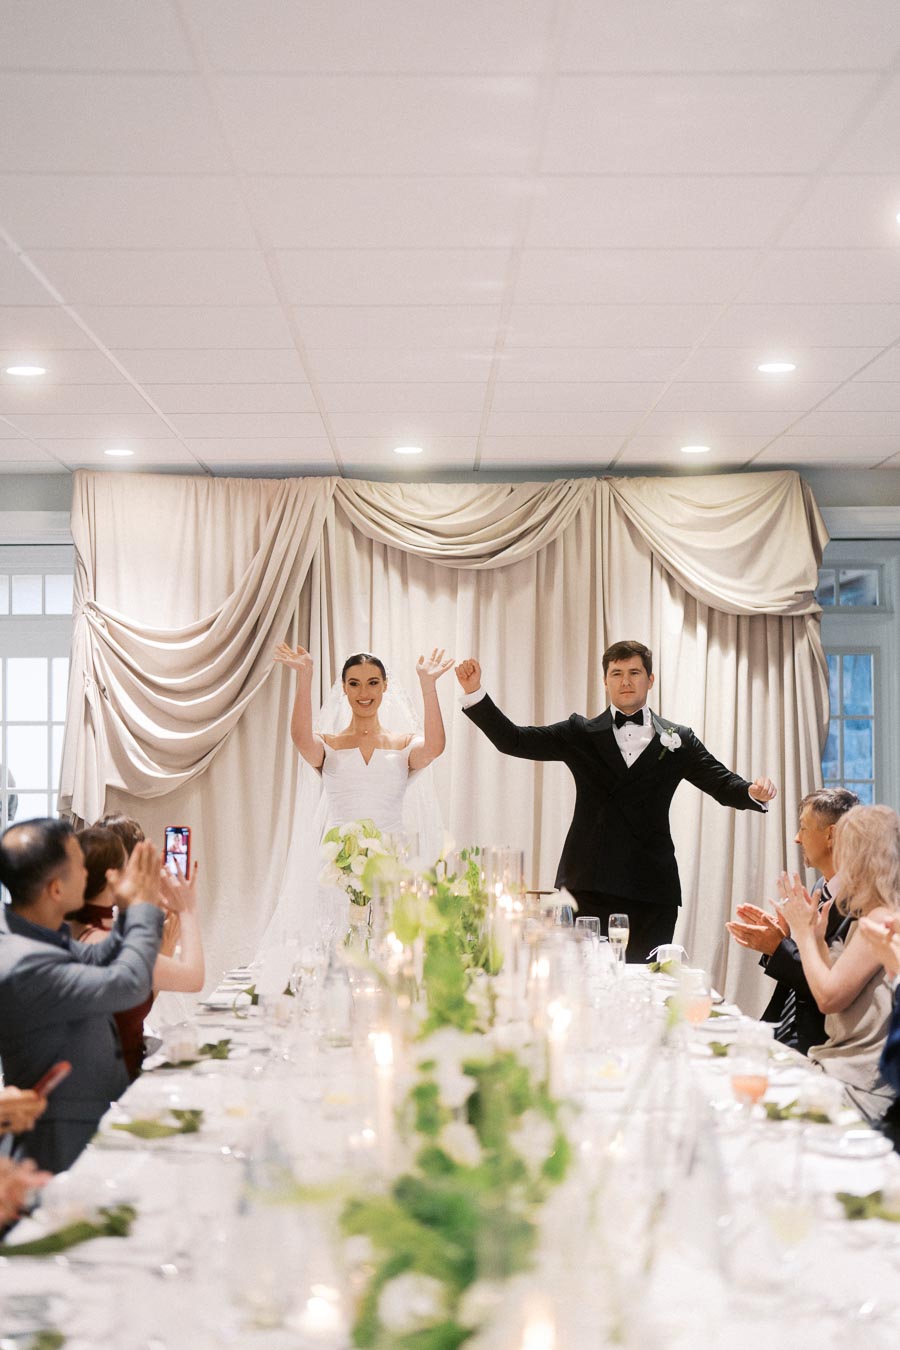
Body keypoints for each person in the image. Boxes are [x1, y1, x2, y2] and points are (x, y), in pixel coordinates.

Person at [455, 639, 776, 960]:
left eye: (634, 672)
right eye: (617, 673)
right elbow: (515, 740)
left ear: (650, 680)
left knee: (649, 985)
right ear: (605, 680)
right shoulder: (580, 732)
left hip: (652, 888)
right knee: (584, 985)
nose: (625, 681)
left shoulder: (679, 739)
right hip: (588, 884)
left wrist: (751, 791)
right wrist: (475, 693)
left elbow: (720, 782)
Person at [0, 819, 169, 1172]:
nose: (87, 871)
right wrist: (142, 907)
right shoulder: (23, 962)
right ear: (55, 889)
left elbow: (98, 957)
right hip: (55, 1141)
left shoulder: (30, 937)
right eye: (78, 864)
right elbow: (127, 984)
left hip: (82, 1117)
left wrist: (124, 913)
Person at [261, 646, 452, 947]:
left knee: (388, 953)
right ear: (344, 689)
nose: (364, 692)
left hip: (391, 869)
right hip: (337, 868)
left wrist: (428, 687)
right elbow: (300, 738)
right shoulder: (330, 745)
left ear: (385, 686)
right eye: (355, 683)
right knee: (335, 952)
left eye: (373, 682)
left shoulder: (402, 744)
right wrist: (305, 676)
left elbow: (434, 748)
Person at [778, 804, 900, 1122]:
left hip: (855, 1080)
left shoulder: (883, 917)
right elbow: (834, 983)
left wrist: (802, 934)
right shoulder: (874, 913)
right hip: (839, 1063)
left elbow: (829, 998)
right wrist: (816, 939)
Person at [726, 788, 858, 1053]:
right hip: (786, 1026)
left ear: (830, 835)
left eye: (804, 828)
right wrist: (779, 942)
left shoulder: (862, 902)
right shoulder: (823, 885)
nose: (797, 839)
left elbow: (831, 986)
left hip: (821, 1041)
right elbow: (811, 963)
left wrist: (779, 948)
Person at [67, 826, 204, 1079]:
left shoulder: (74, 930)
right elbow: (194, 978)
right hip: (117, 1089)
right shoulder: (106, 944)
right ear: (114, 878)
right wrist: (188, 909)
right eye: (130, 865)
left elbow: (123, 1014)